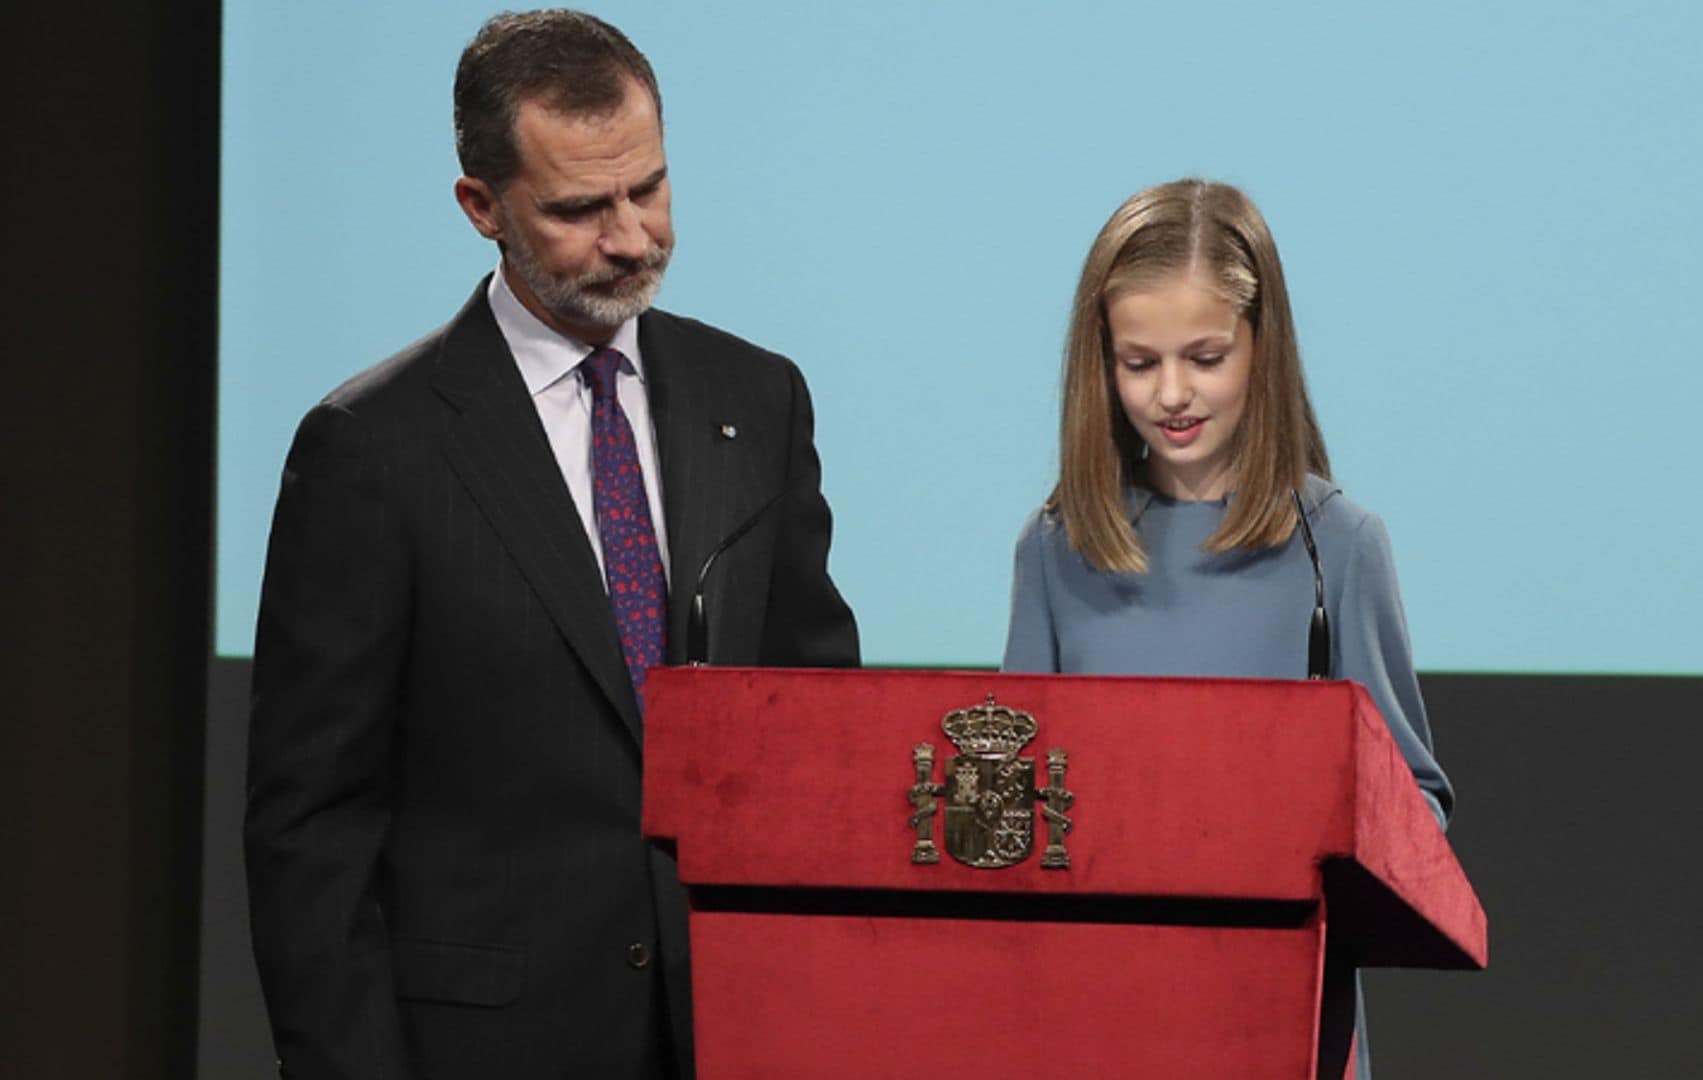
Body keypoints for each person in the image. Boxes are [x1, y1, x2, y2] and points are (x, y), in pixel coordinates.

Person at [244, 10, 859, 1079]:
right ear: (481, 206)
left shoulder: (756, 399)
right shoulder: (372, 449)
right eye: (580, 208)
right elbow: (313, 825)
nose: (631, 237)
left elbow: (817, 725)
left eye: (650, 189)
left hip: (731, 1031)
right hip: (486, 1044)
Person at [1001, 178, 1449, 1078]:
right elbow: (1012, 800)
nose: (1172, 393)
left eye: (1205, 358)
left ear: (1263, 347)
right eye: (1139, 363)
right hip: (1097, 1021)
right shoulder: (1057, 547)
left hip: (1281, 1027)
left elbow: (1420, 813)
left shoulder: (1341, 549)